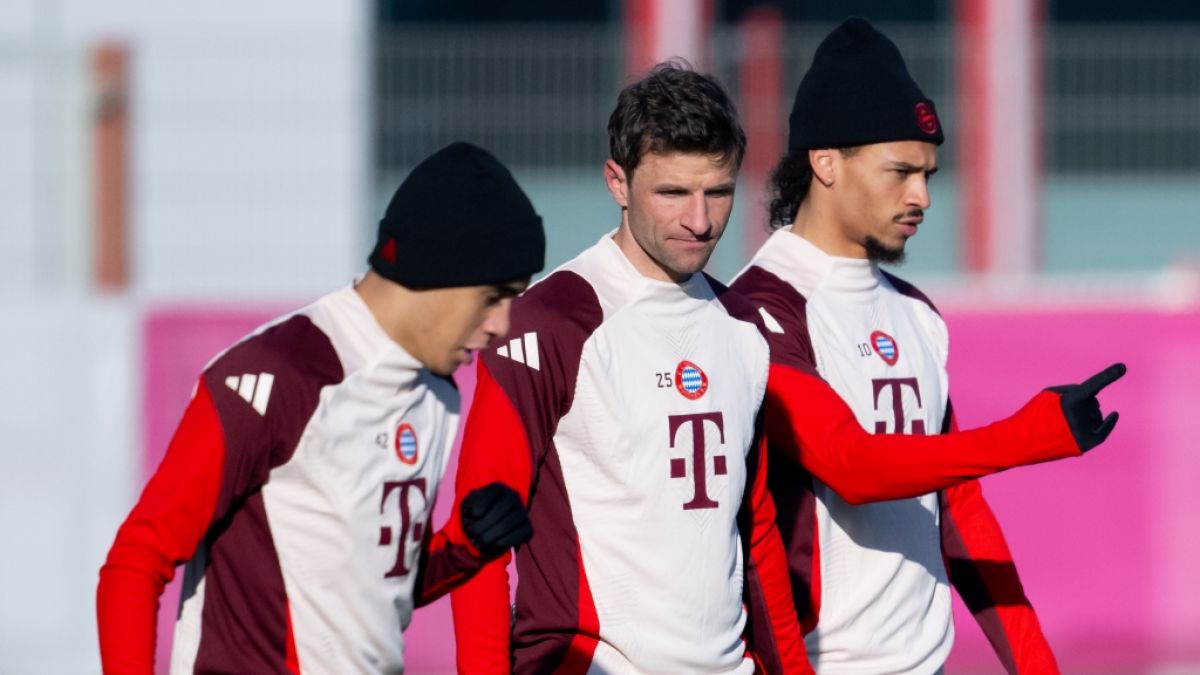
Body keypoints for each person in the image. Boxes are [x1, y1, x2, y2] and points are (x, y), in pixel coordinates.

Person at [445, 62, 1120, 674]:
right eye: (673, 191)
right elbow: (482, 532)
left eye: (718, 191)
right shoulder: (551, 320)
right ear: (617, 181)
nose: (699, 220)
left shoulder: (739, 326)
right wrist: (1032, 433)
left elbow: (758, 529)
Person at [730, 18, 1122, 674]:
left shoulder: (917, 313)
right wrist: (1029, 435)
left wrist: (1035, 662)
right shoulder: (757, 309)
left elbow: (958, 504)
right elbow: (850, 466)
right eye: (900, 171)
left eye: (930, 174)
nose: (922, 196)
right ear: (824, 162)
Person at [96, 142, 541, 674]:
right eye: (493, 295)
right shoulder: (277, 374)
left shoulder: (436, 395)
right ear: (434, 268)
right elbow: (137, 560)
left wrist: (466, 546)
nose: (502, 325)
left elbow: (373, 593)